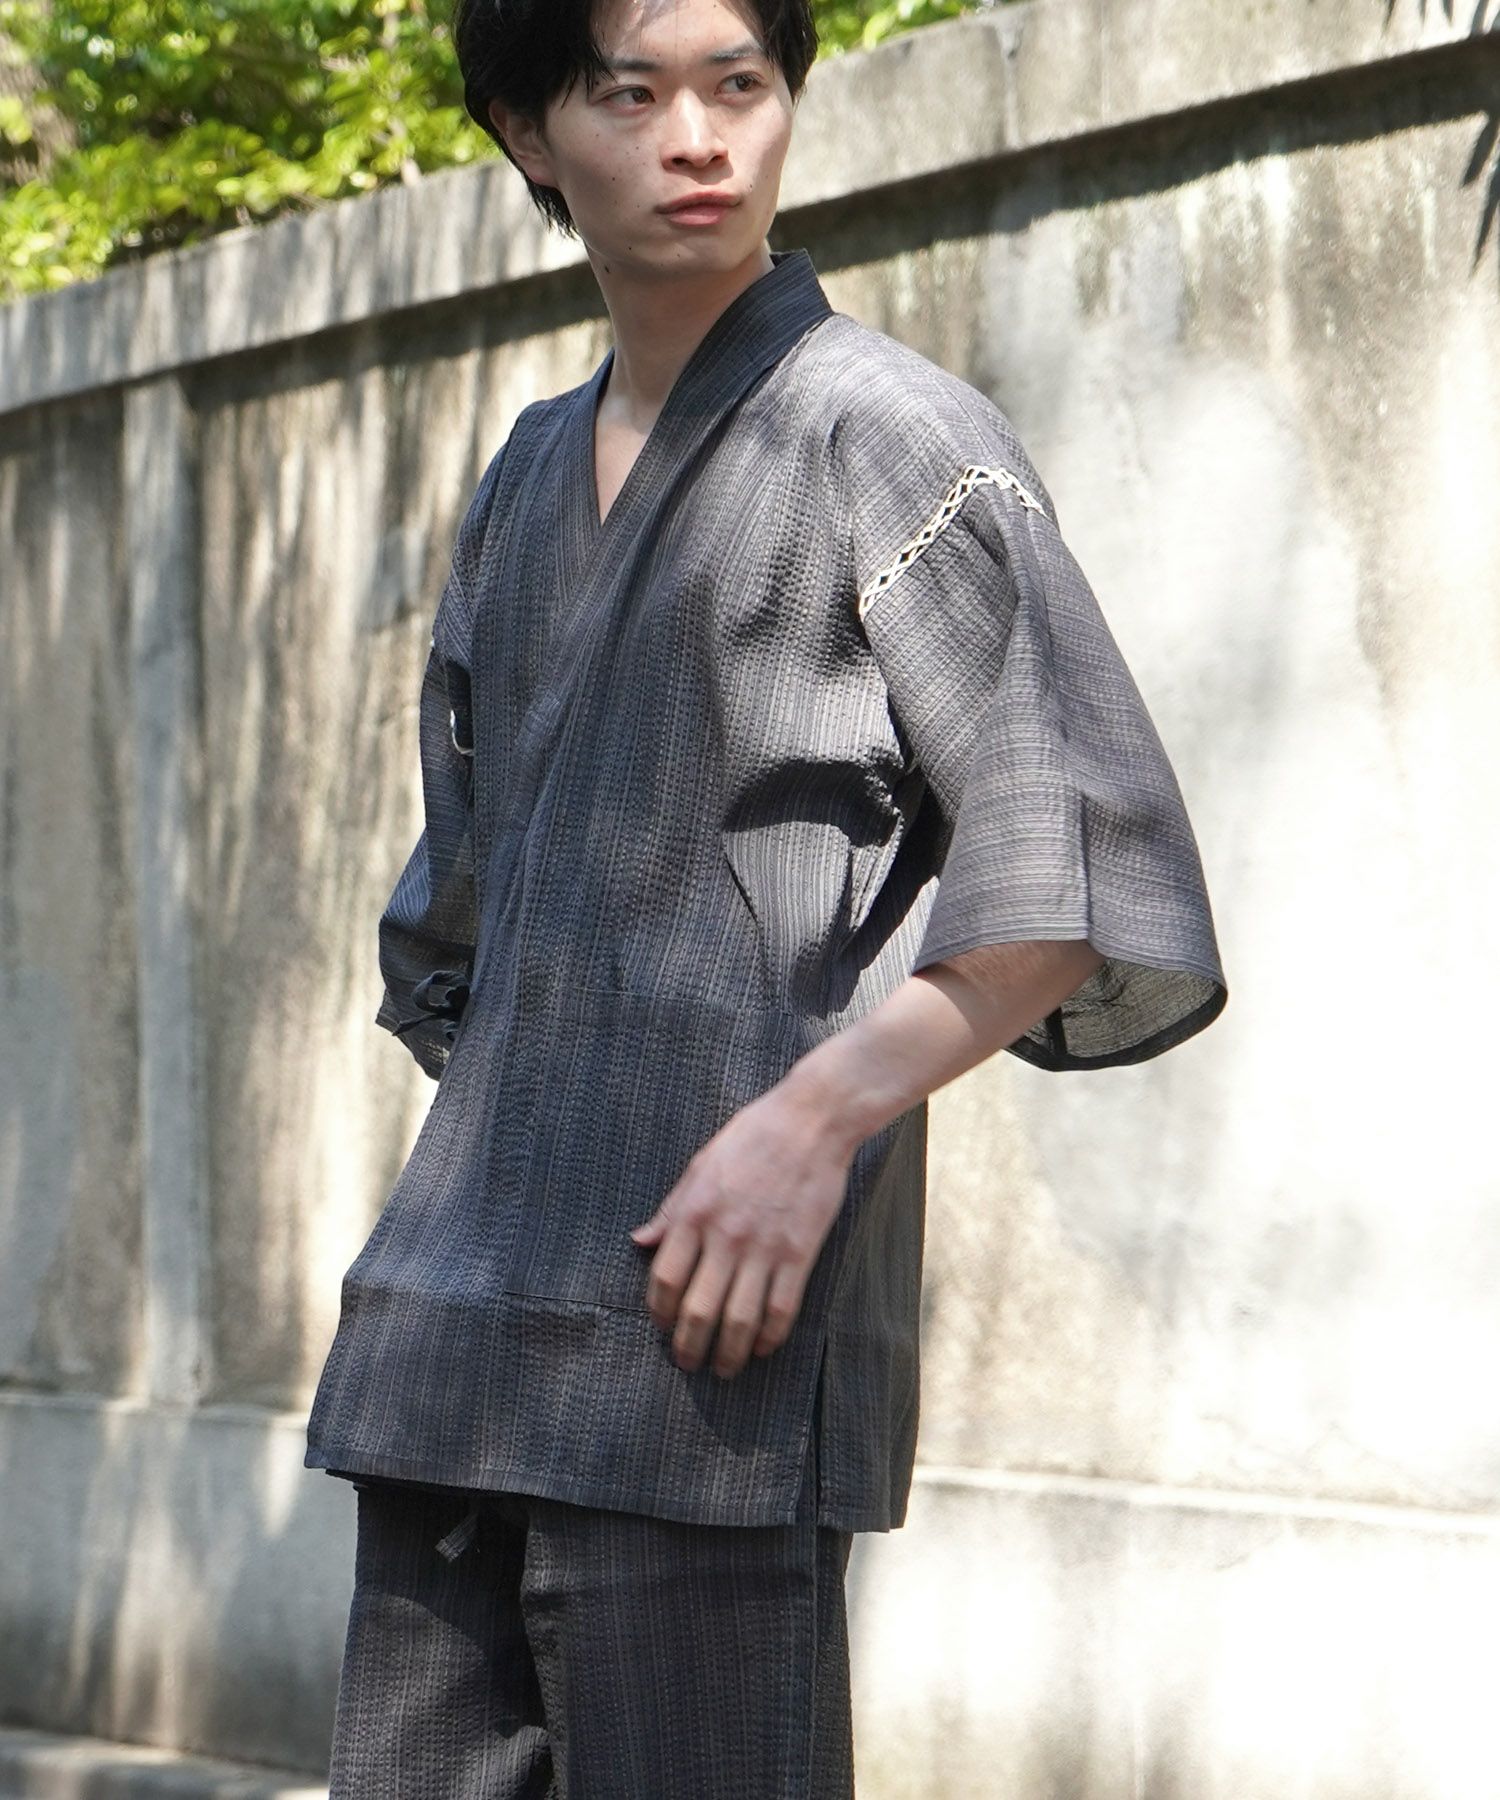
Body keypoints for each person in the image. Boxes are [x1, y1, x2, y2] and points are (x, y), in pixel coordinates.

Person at [304, 0, 1230, 1793]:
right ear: (527, 132)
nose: (698, 138)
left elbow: (1068, 871)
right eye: (631, 93)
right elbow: (464, 932)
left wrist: (813, 1122)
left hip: (708, 1341)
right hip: (454, 1341)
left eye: (741, 84)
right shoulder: (522, 476)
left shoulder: (890, 437)